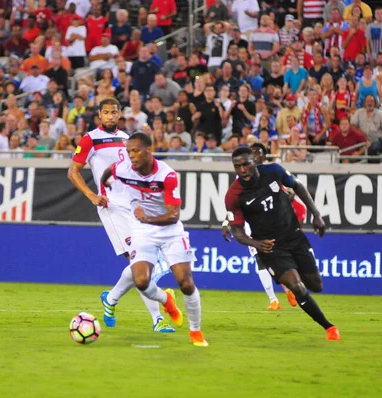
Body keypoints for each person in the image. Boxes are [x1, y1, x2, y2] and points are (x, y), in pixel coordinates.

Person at [67, 97, 175, 334]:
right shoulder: (90, 139)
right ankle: (157, 318)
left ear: (119, 114)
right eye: (106, 113)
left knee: (142, 260)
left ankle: (111, 298)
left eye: (114, 113)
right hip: (111, 207)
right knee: (138, 260)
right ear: (99, 114)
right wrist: (92, 196)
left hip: (133, 207)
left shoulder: (127, 140)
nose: (110, 117)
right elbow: (72, 172)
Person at [101, 132, 208, 347]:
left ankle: (195, 331)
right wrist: (106, 186)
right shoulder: (123, 169)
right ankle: (166, 300)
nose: (131, 155)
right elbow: (108, 171)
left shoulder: (167, 176)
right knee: (141, 281)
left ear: (149, 150)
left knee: (186, 283)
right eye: (128, 151)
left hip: (170, 231)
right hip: (142, 231)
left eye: (136, 150)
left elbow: (174, 215)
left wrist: (147, 217)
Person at [224, 147, 340, 340]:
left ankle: (293, 275)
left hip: (294, 237)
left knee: (316, 285)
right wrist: (257, 244)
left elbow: (299, 186)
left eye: (246, 164)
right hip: (271, 248)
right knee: (297, 286)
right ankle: (329, 327)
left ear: (255, 161)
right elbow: (238, 232)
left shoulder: (274, 171)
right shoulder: (234, 195)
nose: (242, 169)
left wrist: (317, 214)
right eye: (237, 166)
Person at [222, 143, 298, 309]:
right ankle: (274, 299)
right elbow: (234, 204)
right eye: (253, 152)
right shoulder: (242, 178)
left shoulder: (269, 173)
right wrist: (227, 222)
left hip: (271, 222)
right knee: (260, 259)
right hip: (251, 224)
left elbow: (287, 191)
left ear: (262, 156)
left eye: (258, 153)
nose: (255, 155)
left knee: (275, 256)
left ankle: (287, 286)